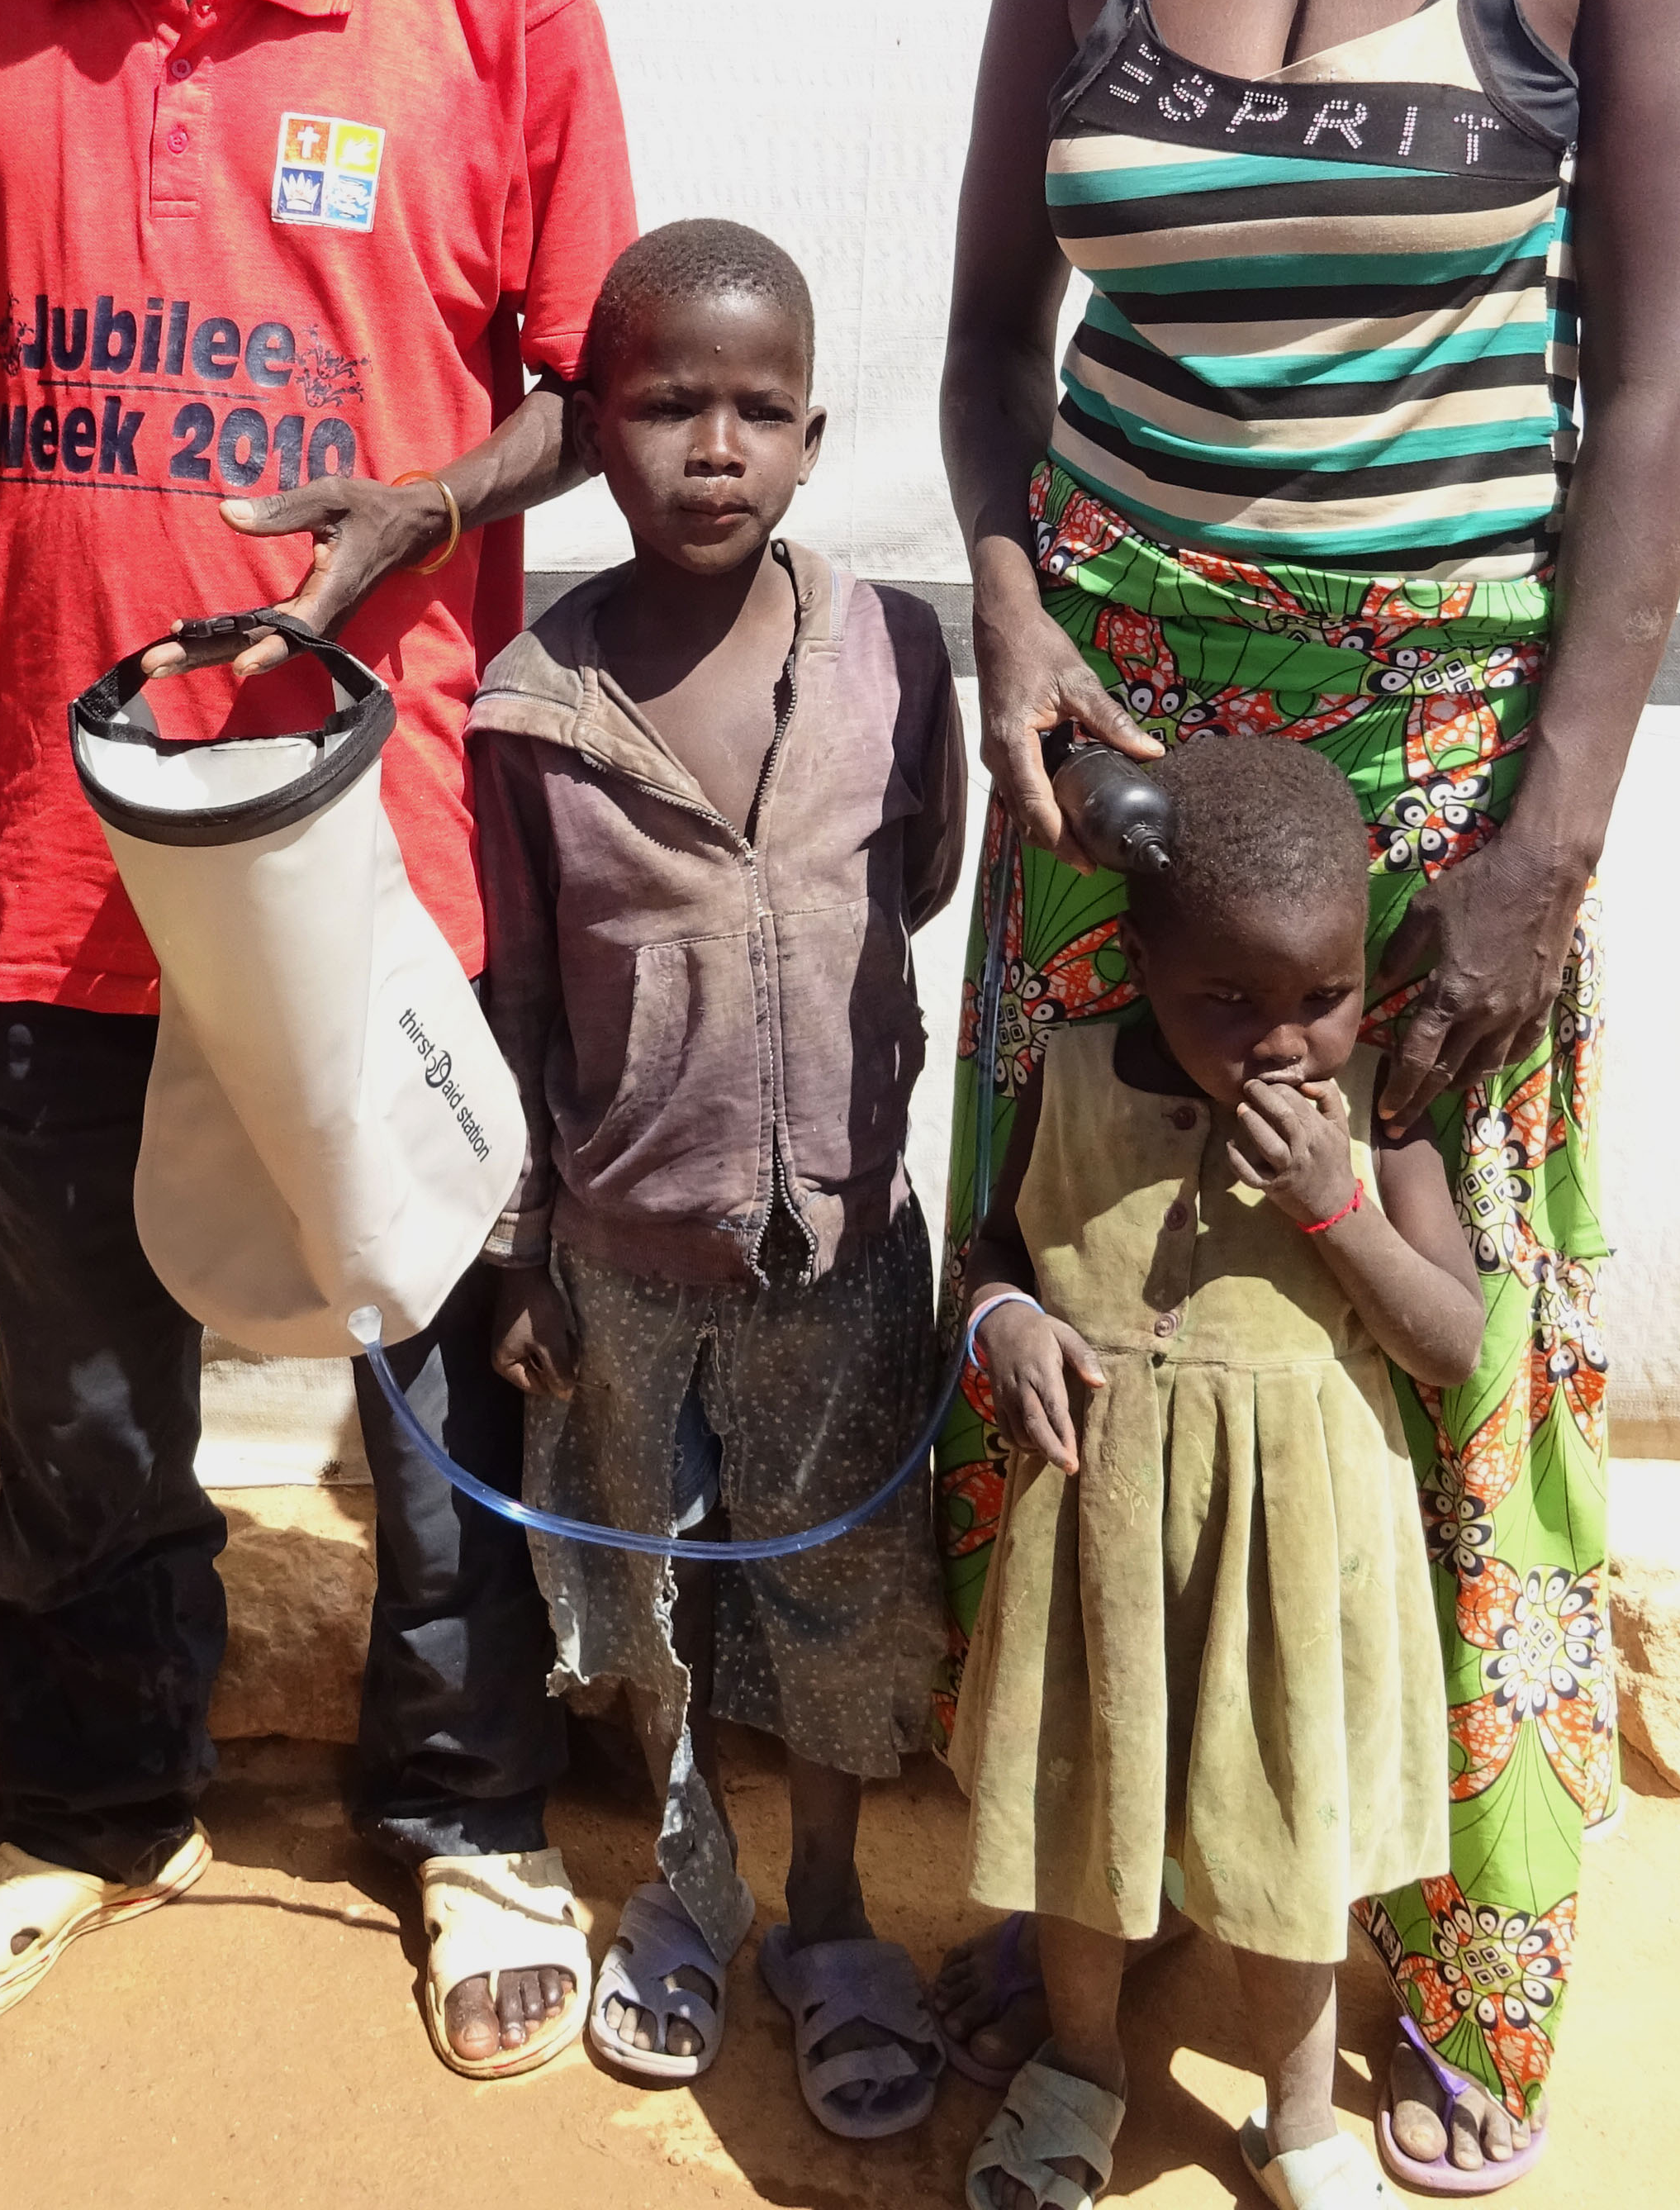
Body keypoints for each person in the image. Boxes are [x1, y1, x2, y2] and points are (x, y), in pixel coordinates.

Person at [929, 0, 1680, 2195]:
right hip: (1107, 785)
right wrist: (1012, 629)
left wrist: (1544, 835)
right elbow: (981, 364)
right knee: (1099, 1335)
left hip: (1410, 808)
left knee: (1413, 1350)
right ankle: (1079, 1907)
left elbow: (1644, 401)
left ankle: (1428, 1970)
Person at [0, 0, 638, 2078]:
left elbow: (596, 393)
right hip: (62, 855)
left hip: (365, 860)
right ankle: (84, 1804)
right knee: (80, 1388)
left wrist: (409, 508)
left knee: (427, 1370)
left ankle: (468, 1819)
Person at [468, 219, 967, 2132]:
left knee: (842, 1597)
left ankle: (831, 1916)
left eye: (760, 411)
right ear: (594, 429)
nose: (714, 447)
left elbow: (908, 898)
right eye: (668, 405)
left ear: (817, 435)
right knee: (651, 1597)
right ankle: (684, 1895)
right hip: (620, 1258)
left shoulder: (895, 659)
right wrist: (524, 1250)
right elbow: (520, 995)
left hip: (840, 1252)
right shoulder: (532, 707)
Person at [950, 734, 1486, 2210]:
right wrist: (1004, 1321)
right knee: (1086, 1816)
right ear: (1139, 960)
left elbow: (1451, 1342)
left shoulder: (1379, 1119)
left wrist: (1338, 1212)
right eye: (1228, 1003)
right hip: (1104, 1548)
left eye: (1323, 998)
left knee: (1286, 1836)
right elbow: (991, 1247)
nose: (1284, 1044)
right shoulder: (1065, 1078)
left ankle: (1300, 2121)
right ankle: (1081, 2067)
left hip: (1294, 1572)